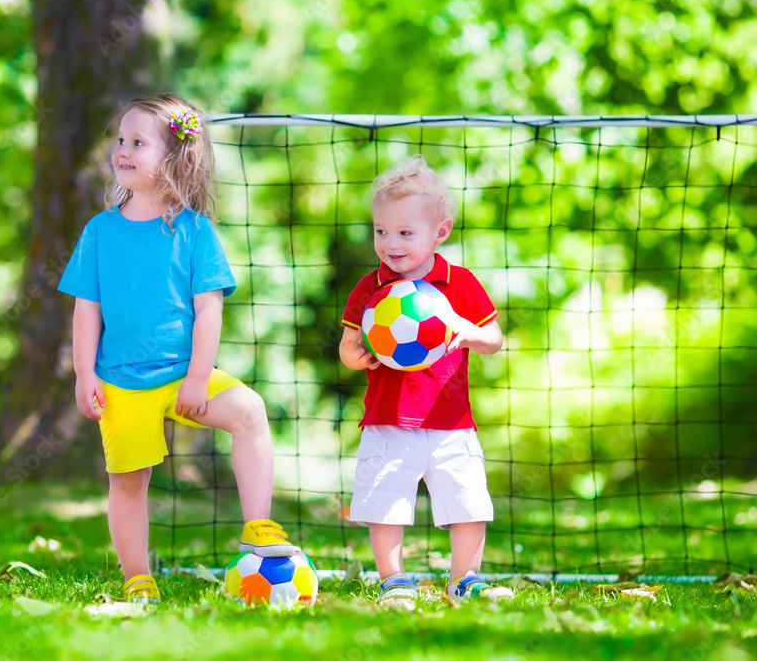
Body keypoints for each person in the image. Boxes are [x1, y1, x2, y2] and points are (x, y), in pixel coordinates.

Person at [58, 94, 297, 605]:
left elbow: (209, 311)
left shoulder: (194, 230)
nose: (122, 150)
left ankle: (259, 526)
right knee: (128, 481)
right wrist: (84, 374)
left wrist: (196, 378)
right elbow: (87, 310)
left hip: (184, 373)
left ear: (174, 157)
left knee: (250, 411)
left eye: (138, 143)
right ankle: (137, 576)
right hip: (119, 380)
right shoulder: (100, 231)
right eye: (120, 140)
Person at [339, 155, 514, 608]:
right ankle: (393, 578)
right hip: (387, 419)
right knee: (384, 500)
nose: (390, 243)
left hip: (451, 421)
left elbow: (494, 339)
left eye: (404, 233)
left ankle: (465, 577)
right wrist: (358, 357)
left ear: (441, 232)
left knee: (468, 499)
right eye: (381, 231)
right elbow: (348, 344)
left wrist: (469, 330)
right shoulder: (370, 288)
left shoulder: (460, 284)